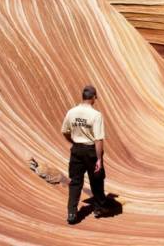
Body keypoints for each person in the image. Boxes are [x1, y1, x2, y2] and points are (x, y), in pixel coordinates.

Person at [61, 85, 107, 224]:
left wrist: (74, 142)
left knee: (75, 182)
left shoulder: (72, 112)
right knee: (97, 179)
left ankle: (72, 213)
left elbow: (65, 131)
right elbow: (98, 139)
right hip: (91, 150)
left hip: (76, 149)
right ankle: (98, 209)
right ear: (93, 97)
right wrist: (99, 159)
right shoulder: (96, 115)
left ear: (83, 97)